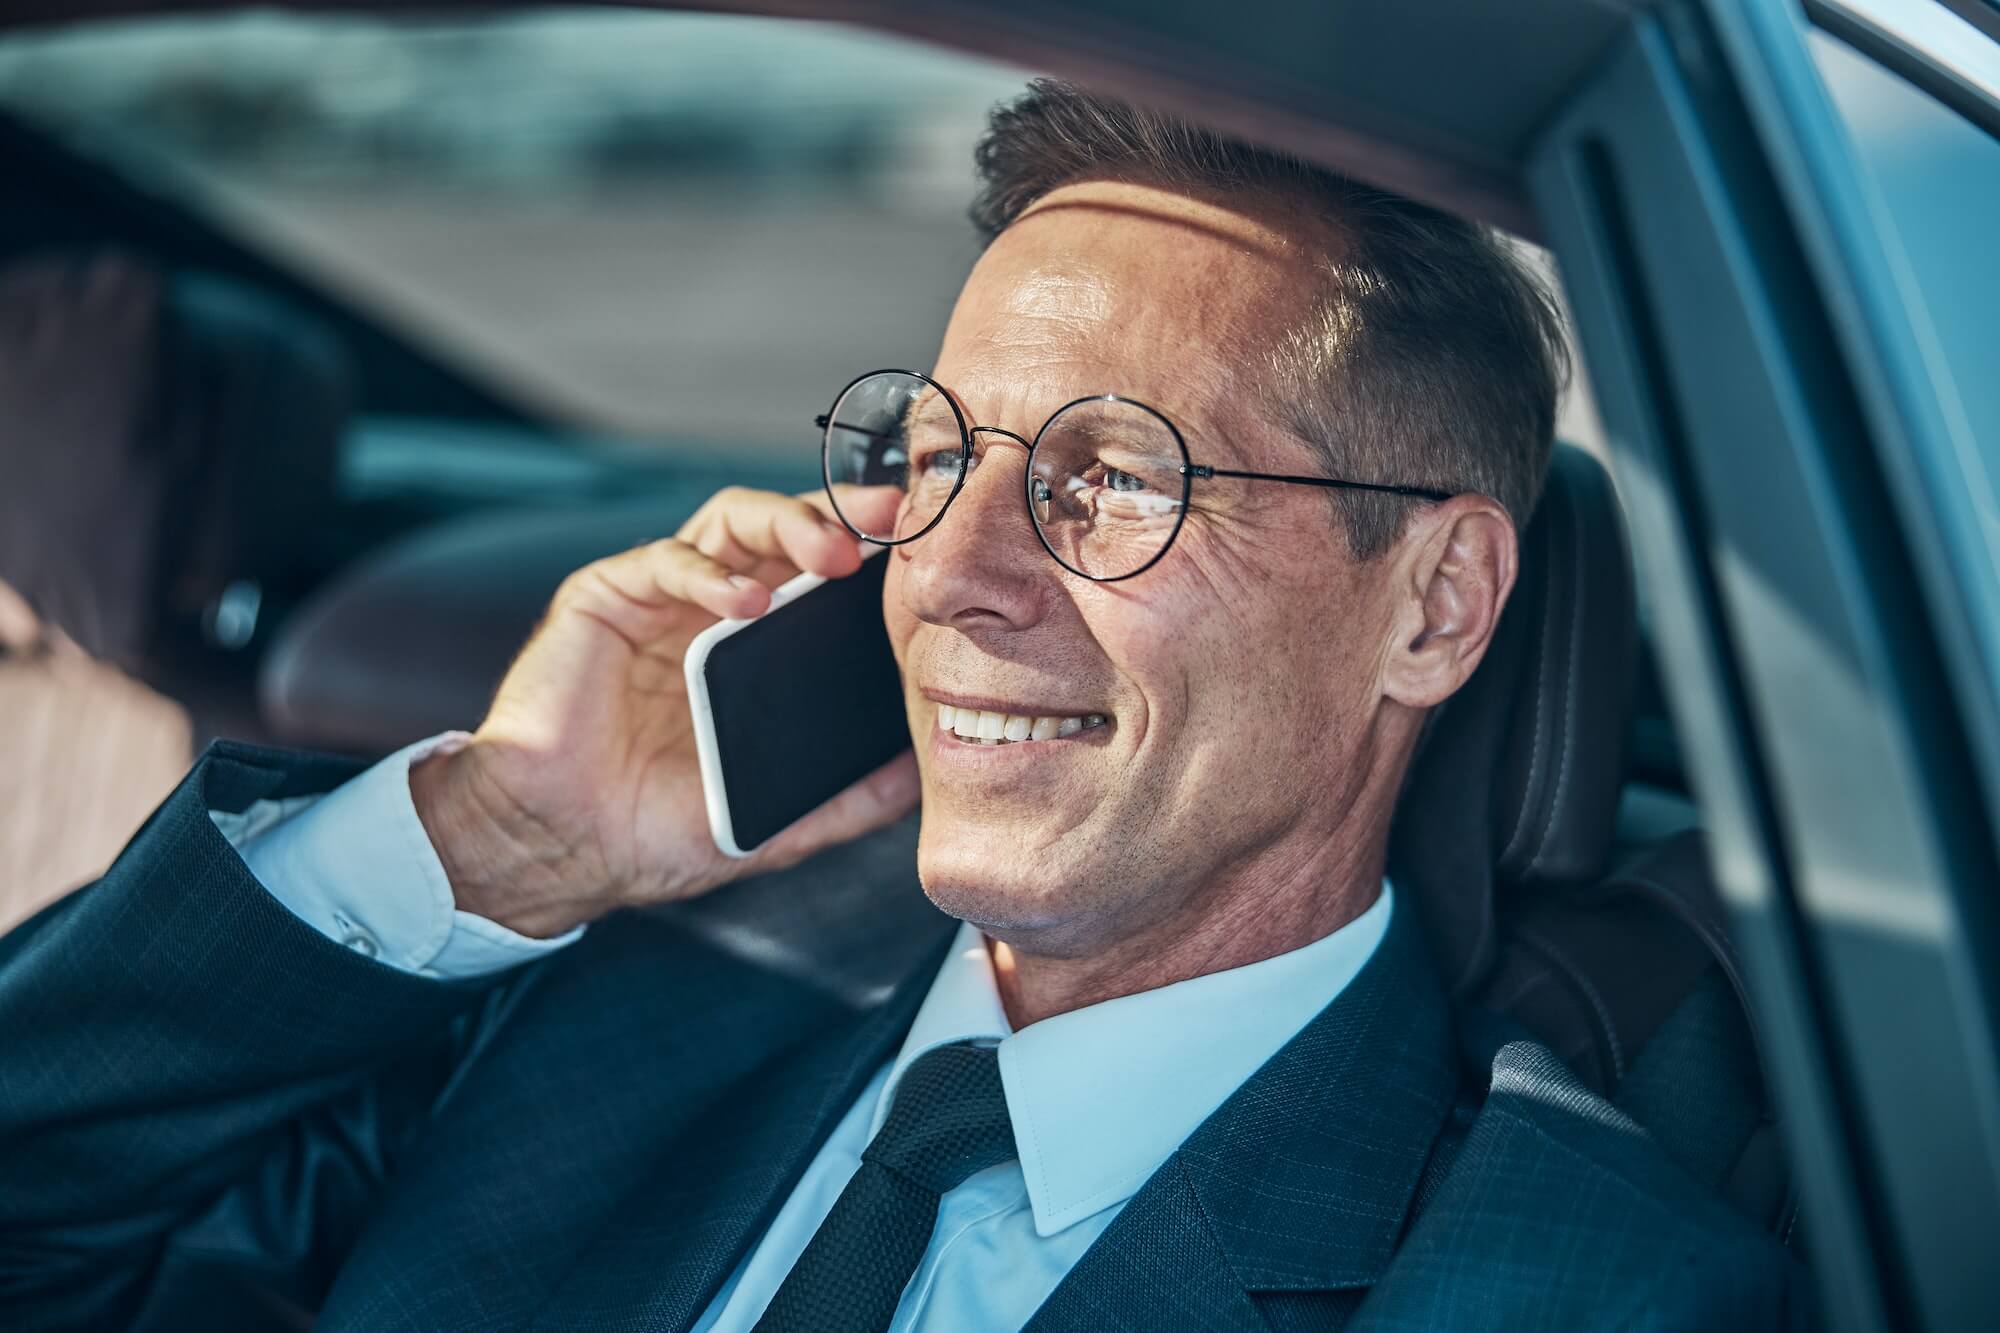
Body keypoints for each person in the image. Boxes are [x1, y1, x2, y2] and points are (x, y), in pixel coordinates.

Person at [0, 82, 1808, 1331]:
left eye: (1112, 479)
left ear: (1434, 605)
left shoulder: (1569, 1279)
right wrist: (500, 834)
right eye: (935, 455)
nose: (953, 572)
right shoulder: (618, 1000)